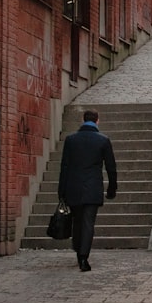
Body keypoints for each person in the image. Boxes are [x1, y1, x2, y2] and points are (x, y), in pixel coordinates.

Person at [58, 110, 118, 272]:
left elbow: (65, 166)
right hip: (93, 188)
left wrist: (61, 191)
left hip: (73, 187)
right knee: (88, 222)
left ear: (82, 120)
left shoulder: (71, 140)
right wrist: (112, 188)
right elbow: (111, 167)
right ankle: (84, 257)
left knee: (77, 221)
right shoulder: (103, 141)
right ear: (97, 121)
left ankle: (78, 250)